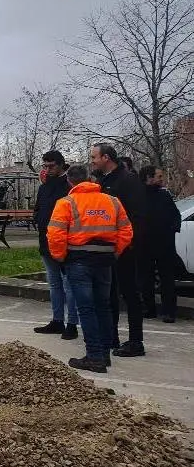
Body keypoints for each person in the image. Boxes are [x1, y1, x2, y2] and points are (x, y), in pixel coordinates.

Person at [47, 164, 133, 373]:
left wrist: (60, 258)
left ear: (70, 181)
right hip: (105, 260)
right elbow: (126, 231)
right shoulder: (112, 201)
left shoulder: (66, 203)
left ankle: (94, 356)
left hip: (78, 260)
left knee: (86, 309)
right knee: (103, 306)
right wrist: (114, 252)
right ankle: (104, 354)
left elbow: (55, 235)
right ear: (90, 179)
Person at [90, 143, 147, 357]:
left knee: (130, 294)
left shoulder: (128, 180)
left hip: (126, 249)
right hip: (107, 249)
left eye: (94, 157)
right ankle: (110, 336)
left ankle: (136, 341)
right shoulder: (103, 182)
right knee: (109, 294)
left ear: (106, 157)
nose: (92, 161)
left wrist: (128, 245)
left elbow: (138, 217)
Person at [32, 150, 78, 339]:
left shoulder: (68, 187)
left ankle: (72, 323)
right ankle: (57, 320)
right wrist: (38, 219)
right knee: (54, 284)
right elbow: (38, 210)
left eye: (51, 166)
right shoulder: (43, 188)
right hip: (46, 242)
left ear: (61, 165)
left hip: (64, 244)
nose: (48, 170)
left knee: (69, 284)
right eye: (45, 166)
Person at [139, 165, 179, 323]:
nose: (162, 179)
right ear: (149, 178)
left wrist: (173, 228)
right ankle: (149, 309)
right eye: (159, 176)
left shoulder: (164, 195)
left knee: (167, 278)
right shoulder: (138, 195)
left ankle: (169, 311)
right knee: (145, 278)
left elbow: (175, 215)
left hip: (165, 244)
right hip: (144, 244)